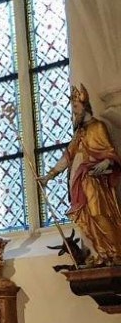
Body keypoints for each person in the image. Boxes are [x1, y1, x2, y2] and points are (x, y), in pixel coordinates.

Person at [38, 84, 121, 264]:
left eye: (76, 107)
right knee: (88, 218)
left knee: (99, 214)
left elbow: (109, 151)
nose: (74, 111)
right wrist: (48, 176)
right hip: (81, 180)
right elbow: (67, 156)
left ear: (85, 107)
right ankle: (103, 253)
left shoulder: (98, 126)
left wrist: (106, 161)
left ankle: (116, 251)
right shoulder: (79, 133)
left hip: (96, 179)